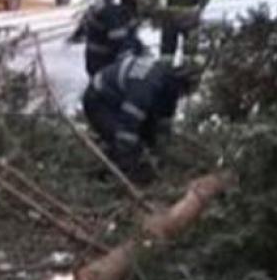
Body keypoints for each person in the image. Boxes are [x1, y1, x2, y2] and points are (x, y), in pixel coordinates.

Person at [82, 55, 197, 184]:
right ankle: (109, 179)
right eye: (183, 92)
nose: (182, 96)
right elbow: (127, 127)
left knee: (147, 137)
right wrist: (133, 160)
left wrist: (163, 153)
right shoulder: (145, 87)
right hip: (100, 101)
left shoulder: (169, 85)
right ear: (179, 83)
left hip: (122, 99)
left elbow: (163, 124)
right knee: (125, 143)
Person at [72, 0, 149, 76]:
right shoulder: (113, 5)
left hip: (111, 56)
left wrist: (142, 50)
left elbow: (130, 33)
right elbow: (121, 45)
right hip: (103, 62)